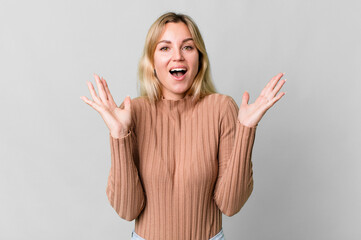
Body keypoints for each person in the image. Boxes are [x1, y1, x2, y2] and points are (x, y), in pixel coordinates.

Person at [80, 12, 286, 240]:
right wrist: (119, 135)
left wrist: (246, 130)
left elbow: (230, 205)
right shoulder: (132, 113)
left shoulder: (221, 108)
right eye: (165, 48)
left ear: (200, 57)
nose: (177, 56)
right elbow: (127, 210)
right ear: (152, 62)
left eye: (187, 47)